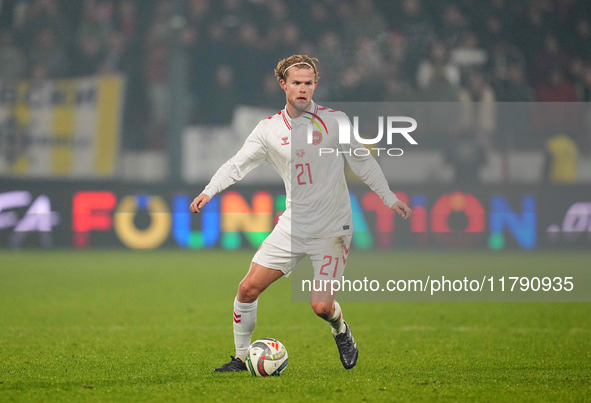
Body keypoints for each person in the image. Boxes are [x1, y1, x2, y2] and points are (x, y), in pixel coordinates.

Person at [190, 55, 412, 372]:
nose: (303, 88)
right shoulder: (268, 130)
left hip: (333, 228)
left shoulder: (335, 121)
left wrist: (388, 197)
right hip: (293, 226)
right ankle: (240, 358)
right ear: (283, 85)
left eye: (308, 83)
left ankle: (341, 330)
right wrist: (209, 190)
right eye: (296, 82)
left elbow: (361, 161)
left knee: (321, 306)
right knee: (247, 289)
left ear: (315, 85)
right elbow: (238, 164)